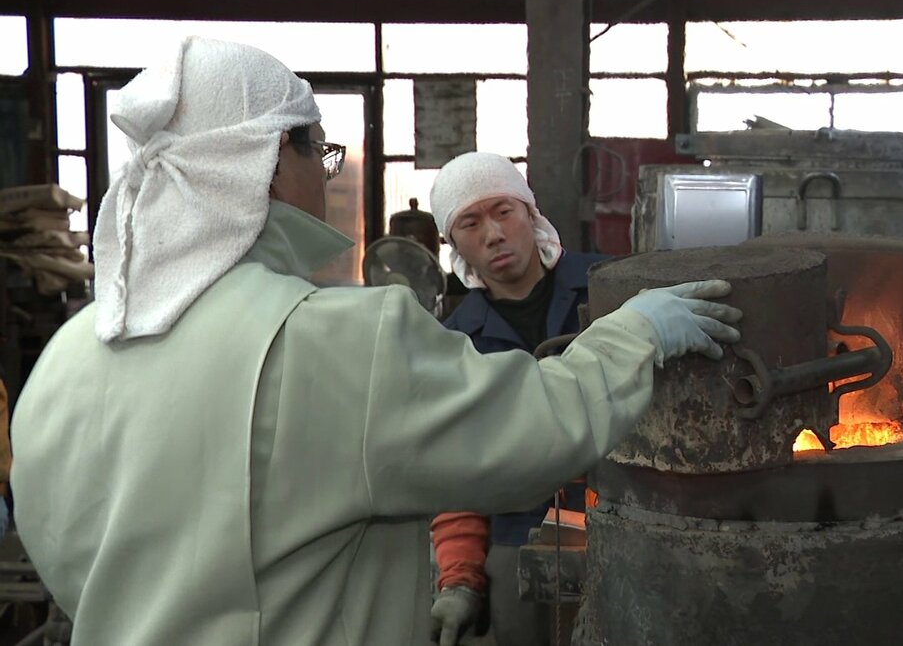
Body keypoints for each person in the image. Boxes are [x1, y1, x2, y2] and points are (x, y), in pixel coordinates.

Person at [7, 37, 741, 645]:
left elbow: (65, 550)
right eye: (320, 155)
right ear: (268, 162)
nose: (328, 179)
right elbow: (531, 434)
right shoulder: (335, 340)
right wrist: (637, 334)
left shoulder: (63, 364)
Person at [426, 152, 608, 646]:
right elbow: (455, 472)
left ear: (531, 212)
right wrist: (460, 578)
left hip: (620, 525)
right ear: (453, 243)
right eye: (470, 222)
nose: (493, 233)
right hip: (516, 540)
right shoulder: (455, 343)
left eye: (504, 211)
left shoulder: (609, 289)